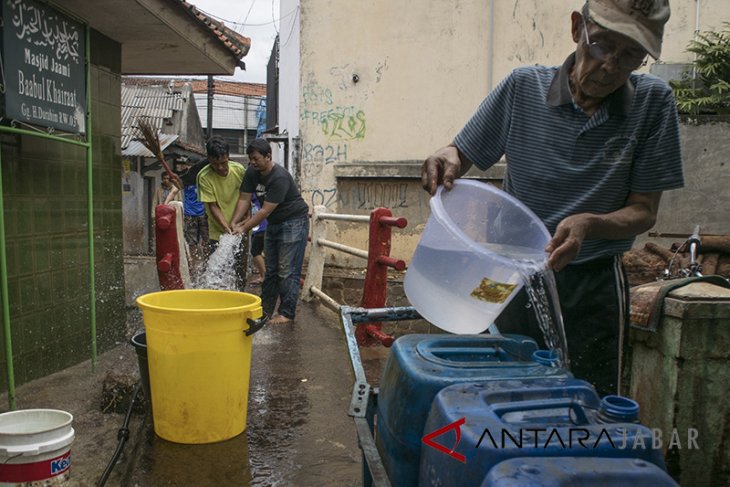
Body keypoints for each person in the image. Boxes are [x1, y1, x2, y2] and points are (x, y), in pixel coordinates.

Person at [421, 0, 684, 396]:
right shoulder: (522, 87)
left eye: (631, 55)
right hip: (507, 274)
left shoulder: (653, 103)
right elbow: (462, 153)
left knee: (588, 397)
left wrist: (590, 223)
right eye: (601, 45)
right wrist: (447, 155)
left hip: (591, 280)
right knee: (500, 388)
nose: (611, 65)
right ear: (577, 27)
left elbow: (644, 211)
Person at [232, 138, 309, 324]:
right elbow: (244, 198)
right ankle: (264, 312)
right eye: (250, 158)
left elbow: (265, 210)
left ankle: (287, 313)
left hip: (293, 222)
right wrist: (233, 222)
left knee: (287, 270)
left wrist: (243, 228)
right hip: (275, 223)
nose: (252, 162)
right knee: (271, 271)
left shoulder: (279, 177)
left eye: (256, 158)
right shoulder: (252, 172)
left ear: (268, 156)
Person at [196, 136, 249, 291]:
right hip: (217, 231)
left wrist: (245, 221)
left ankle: (240, 298)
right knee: (216, 270)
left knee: (240, 268)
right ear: (208, 159)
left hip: (241, 227)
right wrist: (227, 228)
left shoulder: (238, 170)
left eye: (223, 162)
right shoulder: (204, 176)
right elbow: (213, 206)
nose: (220, 167)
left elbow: (246, 197)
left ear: (228, 157)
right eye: (215, 164)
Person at [167, 163, 209, 282]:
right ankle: (196, 265)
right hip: (190, 214)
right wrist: (164, 206)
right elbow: (173, 192)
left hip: (204, 214)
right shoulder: (185, 181)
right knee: (192, 242)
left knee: (207, 241)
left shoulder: (204, 180)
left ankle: (206, 264)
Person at [249, 193, 268, 285]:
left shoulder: (253, 195)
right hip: (263, 226)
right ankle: (264, 275)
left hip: (261, 227)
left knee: (255, 251)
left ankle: (264, 276)